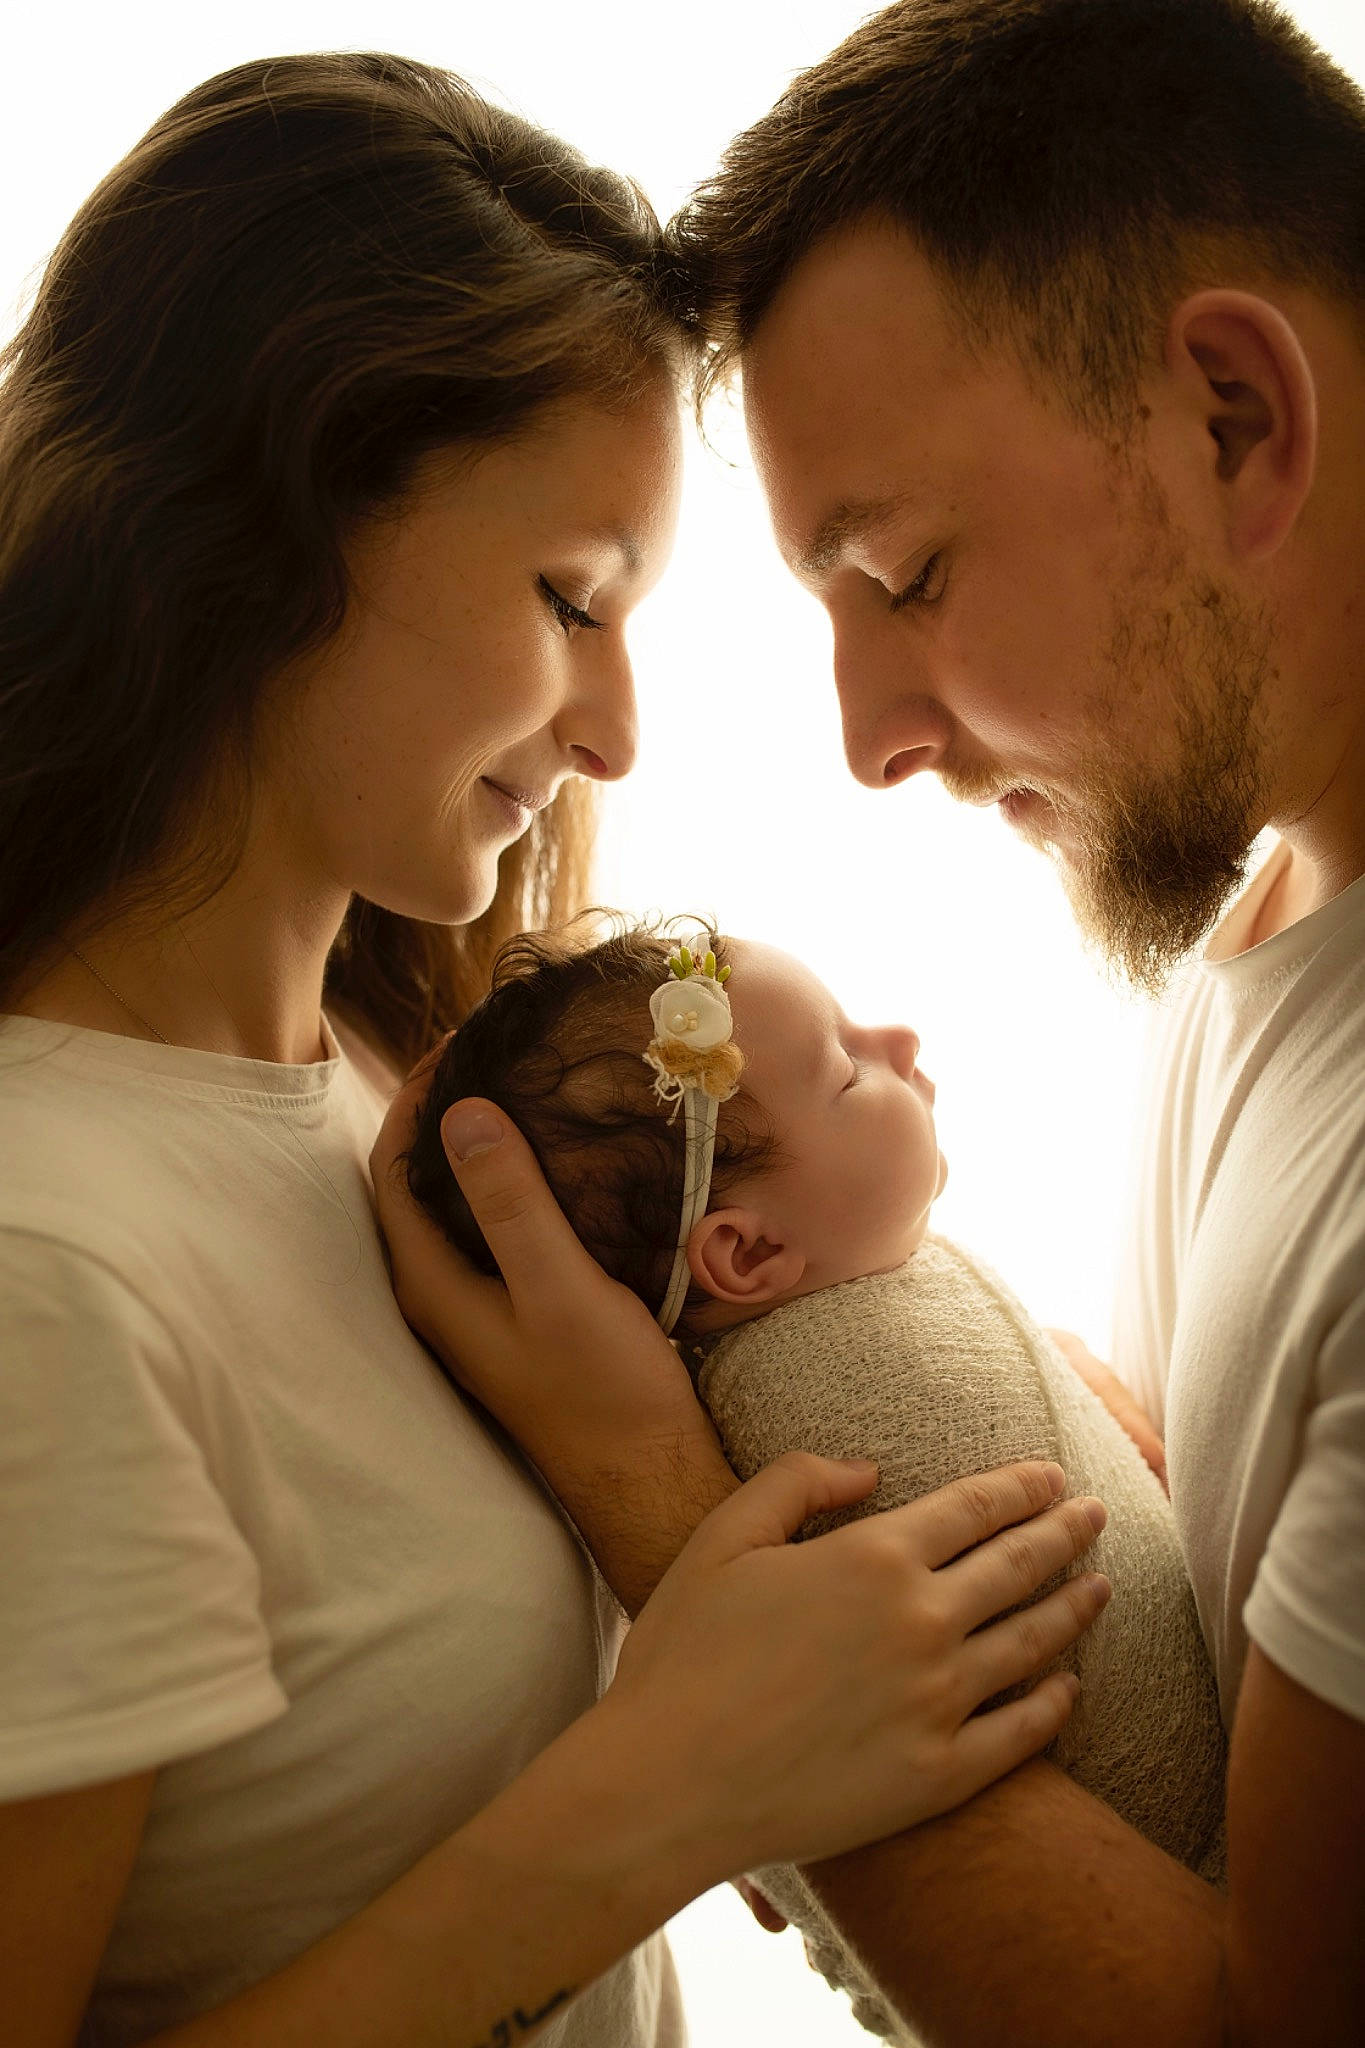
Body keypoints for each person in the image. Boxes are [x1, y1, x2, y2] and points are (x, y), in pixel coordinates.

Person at [0, 47, 1112, 2048]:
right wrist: (666, 1786)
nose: (614, 731)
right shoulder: (45, 1261)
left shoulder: (401, 1098)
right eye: (569, 598)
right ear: (274, 522)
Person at [373, 2, 1365, 2041]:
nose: (868, 737)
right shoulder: (1259, 929)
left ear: (1234, 419)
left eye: (903, 572)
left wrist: (678, 1529)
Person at [403, 916, 1227, 2040]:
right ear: (746, 1253)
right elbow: (846, 1708)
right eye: (847, 1067)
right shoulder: (828, 1425)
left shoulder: (863, 1292)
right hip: (1168, 1877)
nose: (900, 1039)